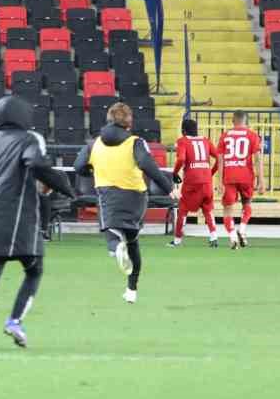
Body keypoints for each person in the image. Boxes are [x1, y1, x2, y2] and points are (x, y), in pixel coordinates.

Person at [0, 95, 73, 351]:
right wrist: (65, 187)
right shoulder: (28, 139)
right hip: (18, 218)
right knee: (34, 269)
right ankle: (14, 321)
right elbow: (34, 163)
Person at [77, 103, 175, 304]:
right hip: (136, 198)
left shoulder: (94, 144)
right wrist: (168, 187)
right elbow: (149, 166)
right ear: (129, 122)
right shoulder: (135, 143)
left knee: (111, 232)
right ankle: (131, 289)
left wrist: (92, 170)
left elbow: (79, 167)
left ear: (108, 119)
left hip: (108, 195)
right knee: (133, 241)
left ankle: (115, 248)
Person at [170, 117, 221, 249]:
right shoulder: (205, 141)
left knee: (183, 209)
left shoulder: (183, 141)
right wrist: (211, 173)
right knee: (208, 208)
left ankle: (177, 240)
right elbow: (219, 158)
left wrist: (175, 173)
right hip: (206, 181)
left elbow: (181, 158)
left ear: (183, 131)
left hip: (192, 181)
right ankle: (214, 236)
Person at [219, 112, 264, 248]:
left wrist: (219, 181)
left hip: (229, 175)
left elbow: (220, 159)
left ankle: (233, 237)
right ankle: (242, 229)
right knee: (247, 204)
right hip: (246, 176)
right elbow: (257, 159)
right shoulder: (252, 135)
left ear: (233, 121)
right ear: (246, 121)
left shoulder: (225, 135)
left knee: (227, 209)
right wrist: (261, 180)